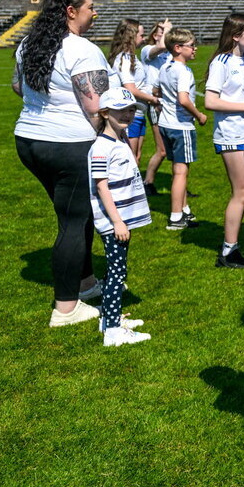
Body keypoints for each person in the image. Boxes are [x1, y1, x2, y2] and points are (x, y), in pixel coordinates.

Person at [13, 0, 109, 326]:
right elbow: (96, 106)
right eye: (90, 7)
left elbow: (16, 86)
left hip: (29, 140)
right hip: (68, 144)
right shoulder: (82, 48)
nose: (95, 13)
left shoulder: (28, 44)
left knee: (75, 214)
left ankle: (84, 283)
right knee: (73, 221)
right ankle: (66, 308)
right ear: (71, 11)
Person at [89, 88, 152, 346]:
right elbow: (101, 186)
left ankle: (109, 318)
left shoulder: (120, 140)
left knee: (117, 270)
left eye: (131, 109)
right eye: (121, 110)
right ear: (105, 113)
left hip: (122, 220)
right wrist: (117, 221)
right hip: (115, 222)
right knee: (117, 273)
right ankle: (113, 331)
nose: (128, 114)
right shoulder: (102, 147)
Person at [205, 13, 244, 268]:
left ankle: (232, 245)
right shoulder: (222, 62)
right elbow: (210, 101)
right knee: (241, 192)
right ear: (236, 35)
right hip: (231, 134)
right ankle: (228, 251)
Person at [157, 27, 207, 230]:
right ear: (178, 48)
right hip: (181, 126)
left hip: (165, 124)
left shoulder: (165, 67)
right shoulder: (183, 71)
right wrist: (199, 115)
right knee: (180, 173)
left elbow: (156, 90)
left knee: (178, 170)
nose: (195, 48)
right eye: (191, 45)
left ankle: (184, 209)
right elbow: (183, 99)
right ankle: (176, 217)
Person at [107, 18, 160, 161]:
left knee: (136, 156)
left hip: (138, 113)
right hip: (130, 115)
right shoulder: (124, 58)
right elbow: (131, 89)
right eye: (141, 35)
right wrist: (154, 99)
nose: (143, 39)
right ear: (131, 36)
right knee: (130, 158)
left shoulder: (131, 57)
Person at [140, 19, 172, 195]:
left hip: (171, 103)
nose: (167, 35)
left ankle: (179, 185)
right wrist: (167, 31)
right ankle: (148, 181)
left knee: (177, 149)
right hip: (156, 103)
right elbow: (159, 47)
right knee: (162, 150)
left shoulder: (169, 54)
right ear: (155, 35)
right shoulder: (147, 51)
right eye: (163, 32)